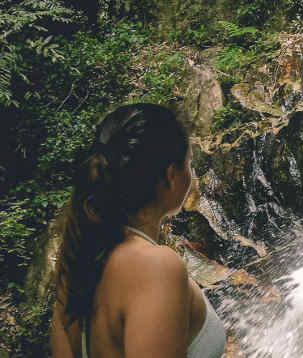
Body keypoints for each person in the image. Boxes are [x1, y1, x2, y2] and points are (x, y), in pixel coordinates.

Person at [49, 103, 226, 358]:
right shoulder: (155, 267)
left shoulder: (77, 265)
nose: (191, 172)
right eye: (188, 163)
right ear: (170, 176)